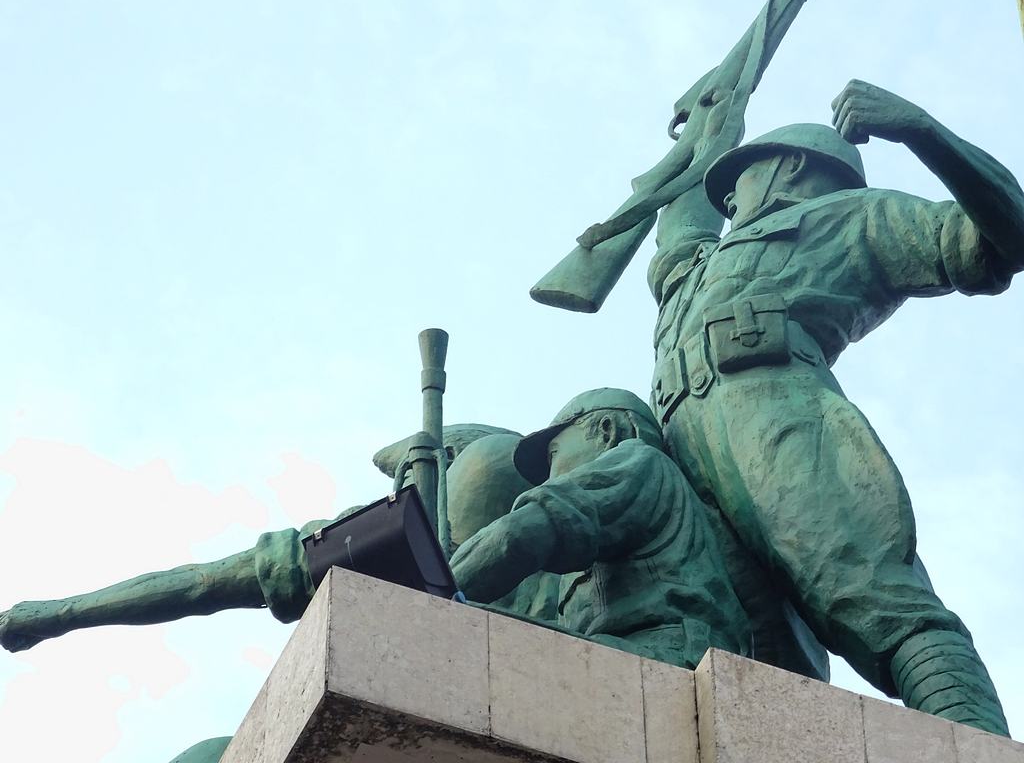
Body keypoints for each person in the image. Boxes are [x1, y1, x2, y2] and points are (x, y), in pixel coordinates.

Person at [647, 79, 1023, 734]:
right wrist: (711, 126)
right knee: (751, 640)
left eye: (740, 178)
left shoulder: (849, 219)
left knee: (867, 589)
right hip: (686, 449)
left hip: (779, 420)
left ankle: (973, 735)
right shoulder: (698, 267)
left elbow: (1009, 237)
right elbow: (682, 218)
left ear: (790, 166)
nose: (728, 197)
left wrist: (922, 129)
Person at [0, 425, 555, 652]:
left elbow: (206, 584)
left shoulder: (545, 548)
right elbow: (207, 584)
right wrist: (66, 613)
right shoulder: (367, 536)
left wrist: (64, 613)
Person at [451, 388, 751, 670]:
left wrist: (438, 587)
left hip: (667, 651)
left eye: (553, 455)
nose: (549, 479)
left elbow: (518, 534)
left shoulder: (640, 461)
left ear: (607, 431)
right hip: (630, 654)